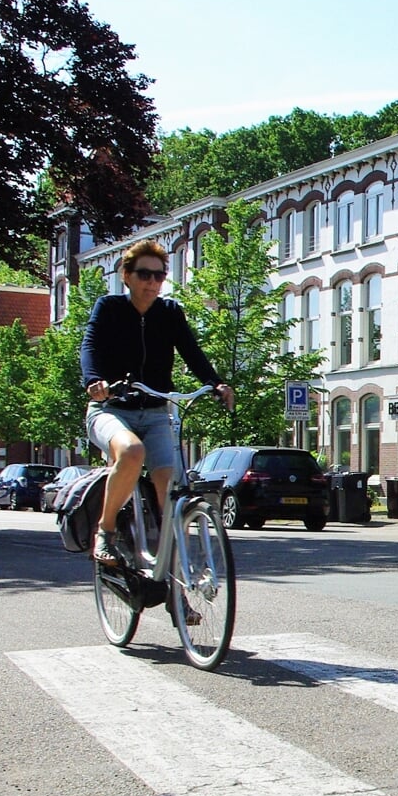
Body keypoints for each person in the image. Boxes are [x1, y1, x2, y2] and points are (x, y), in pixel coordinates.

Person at [80, 239, 235, 564]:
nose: (152, 282)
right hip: (110, 409)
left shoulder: (169, 313)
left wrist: (216, 383)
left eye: (159, 275)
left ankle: (174, 581)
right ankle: (105, 532)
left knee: (169, 486)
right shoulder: (108, 308)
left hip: (154, 413)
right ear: (126, 276)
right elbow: (90, 346)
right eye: (144, 274)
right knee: (132, 452)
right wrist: (94, 381)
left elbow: (192, 352)